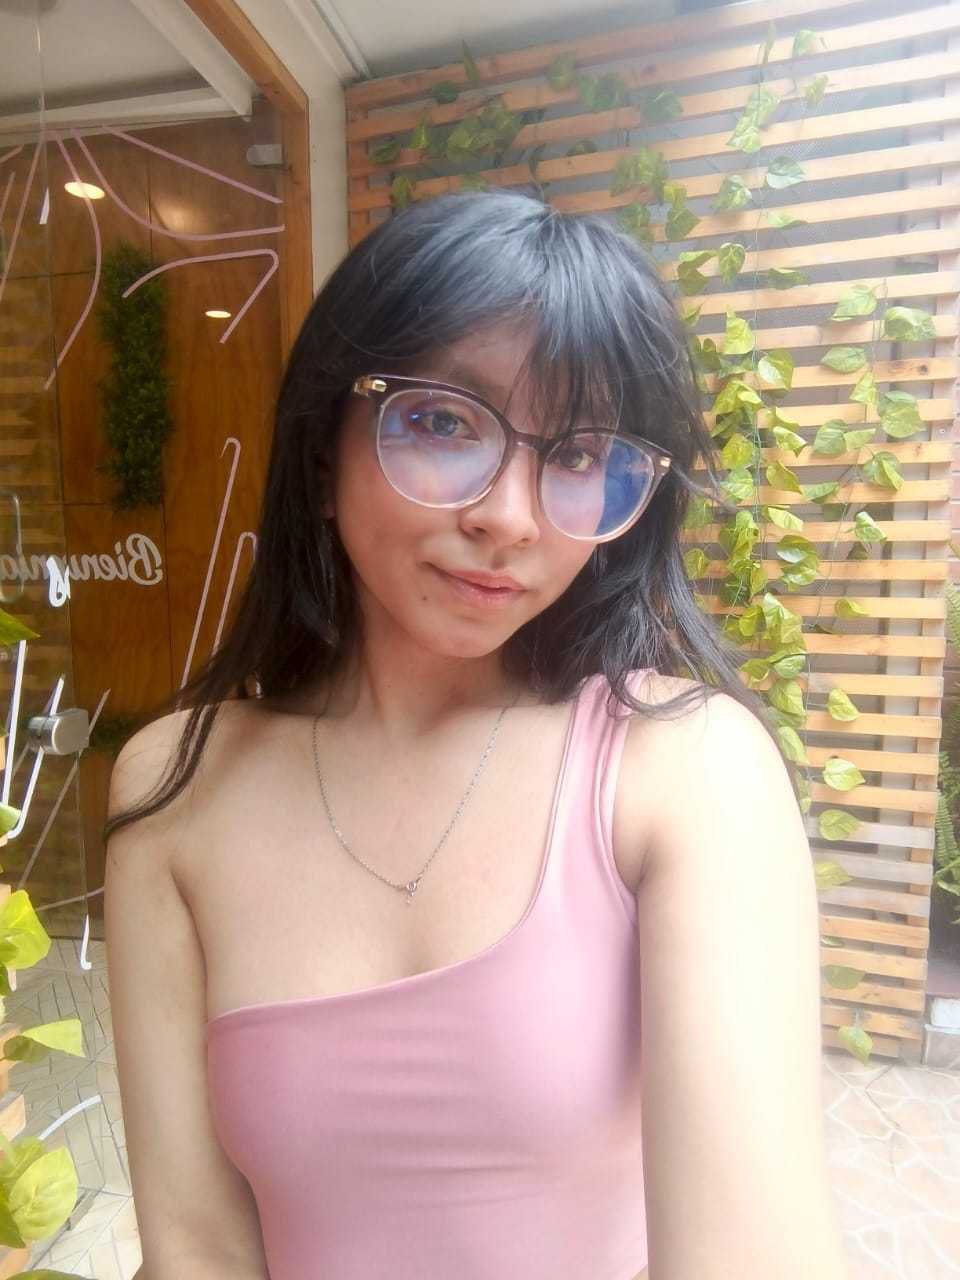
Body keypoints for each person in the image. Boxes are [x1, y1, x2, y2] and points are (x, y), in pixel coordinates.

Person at [103, 190, 849, 1280]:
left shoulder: (683, 773)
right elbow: (195, 1248)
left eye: (581, 453)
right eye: (446, 423)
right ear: (322, 453)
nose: (510, 516)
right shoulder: (176, 789)